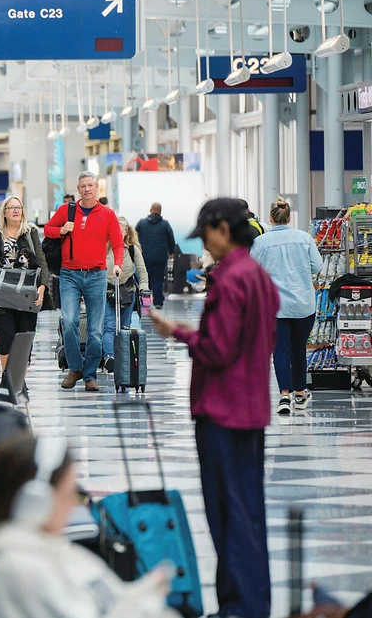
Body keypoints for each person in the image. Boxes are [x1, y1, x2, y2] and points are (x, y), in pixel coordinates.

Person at [150, 199, 277, 618]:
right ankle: (251, 602)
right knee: (248, 508)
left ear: (224, 229)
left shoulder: (230, 278)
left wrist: (178, 333)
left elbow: (218, 349)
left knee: (226, 511)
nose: (205, 246)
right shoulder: (259, 276)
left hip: (221, 409)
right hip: (251, 407)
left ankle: (239, 607)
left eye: (206, 236)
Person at [0, 434, 177, 618]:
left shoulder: (42, 548)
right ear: (34, 502)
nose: (74, 505)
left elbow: (104, 602)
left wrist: (145, 592)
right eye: (69, 493)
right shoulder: (19, 567)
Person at [44, 172, 124, 392]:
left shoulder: (107, 214)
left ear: (97, 187)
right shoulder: (67, 210)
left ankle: (89, 374)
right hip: (69, 274)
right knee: (69, 322)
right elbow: (47, 229)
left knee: (96, 331)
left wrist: (117, 263)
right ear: (78, 189)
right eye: (83, 186)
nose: (87, 189)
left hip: (97, 275)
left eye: (91, 185)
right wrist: (61, 230)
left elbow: (118, 243)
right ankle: (75, 368)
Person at [251, 198, 322, 415]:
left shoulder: (260, 243)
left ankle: (284, 395)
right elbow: (317, 266)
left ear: (271, 218)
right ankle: (300, 393)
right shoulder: (304, 238)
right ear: (289, 217)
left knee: (280, 349)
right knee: (298, 349)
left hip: (276, 306)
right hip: (303, 305)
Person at [0, 195, 50, 372]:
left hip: (26, 292)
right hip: (1, 292)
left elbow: (41, 261)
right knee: (6, 336)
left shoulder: (30, 232)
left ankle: (20, 381)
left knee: (25, 336)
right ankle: (7, 377)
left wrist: (42, 286)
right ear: (4, 212)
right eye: (11, 207)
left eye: (19, 207)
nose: (16, 210)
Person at [101, 217, 150, 372]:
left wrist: (144, 288)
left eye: (119, 229)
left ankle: (123, 358)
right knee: (109, 326)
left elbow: (142, 271)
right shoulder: (103, 247)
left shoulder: (132, 249)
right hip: (107, 290)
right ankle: (109, 357)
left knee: (124, 327)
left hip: (127, 292)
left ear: (126, 231)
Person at [135, 203, 177, 310]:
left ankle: (146, 301)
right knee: (158, 280)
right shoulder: (165, 224)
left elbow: (134, 237)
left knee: (146, 279)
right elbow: (171, 240)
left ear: (150, 210)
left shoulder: (142, 223)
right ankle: (158, 302)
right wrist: (171, 251)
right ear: (160, 211)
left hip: (145, 257)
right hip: (160, 257)